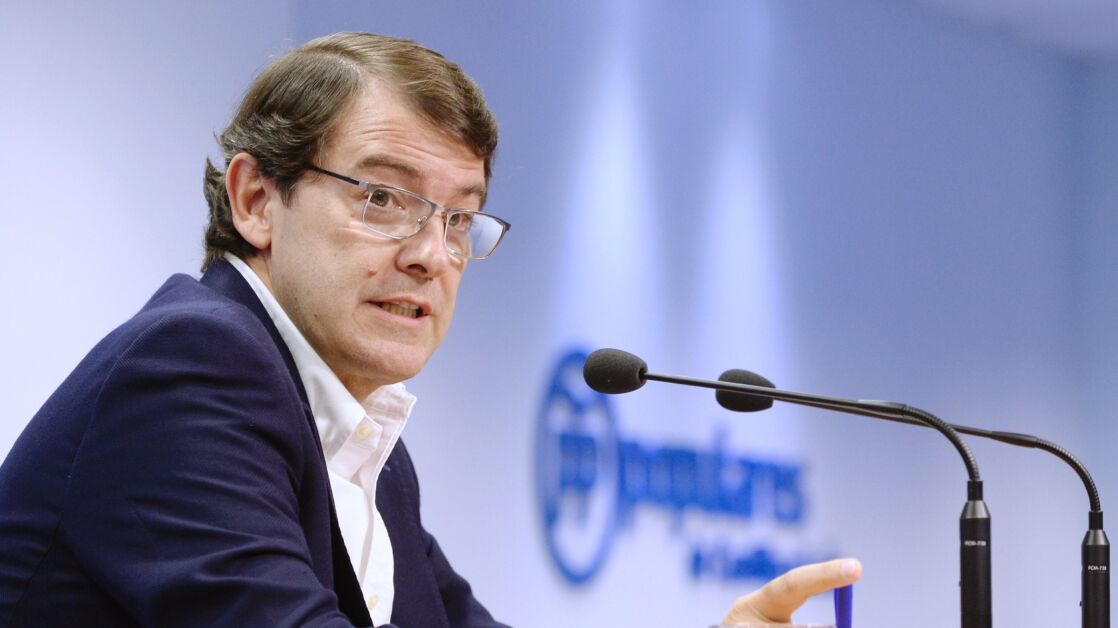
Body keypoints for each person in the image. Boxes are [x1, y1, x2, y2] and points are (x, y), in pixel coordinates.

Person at [0, 32, 859, 627]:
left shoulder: (365, 447)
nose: (430, 255)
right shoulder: (191, 367)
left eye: (458, 220)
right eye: (383, 198)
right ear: (257, 199)